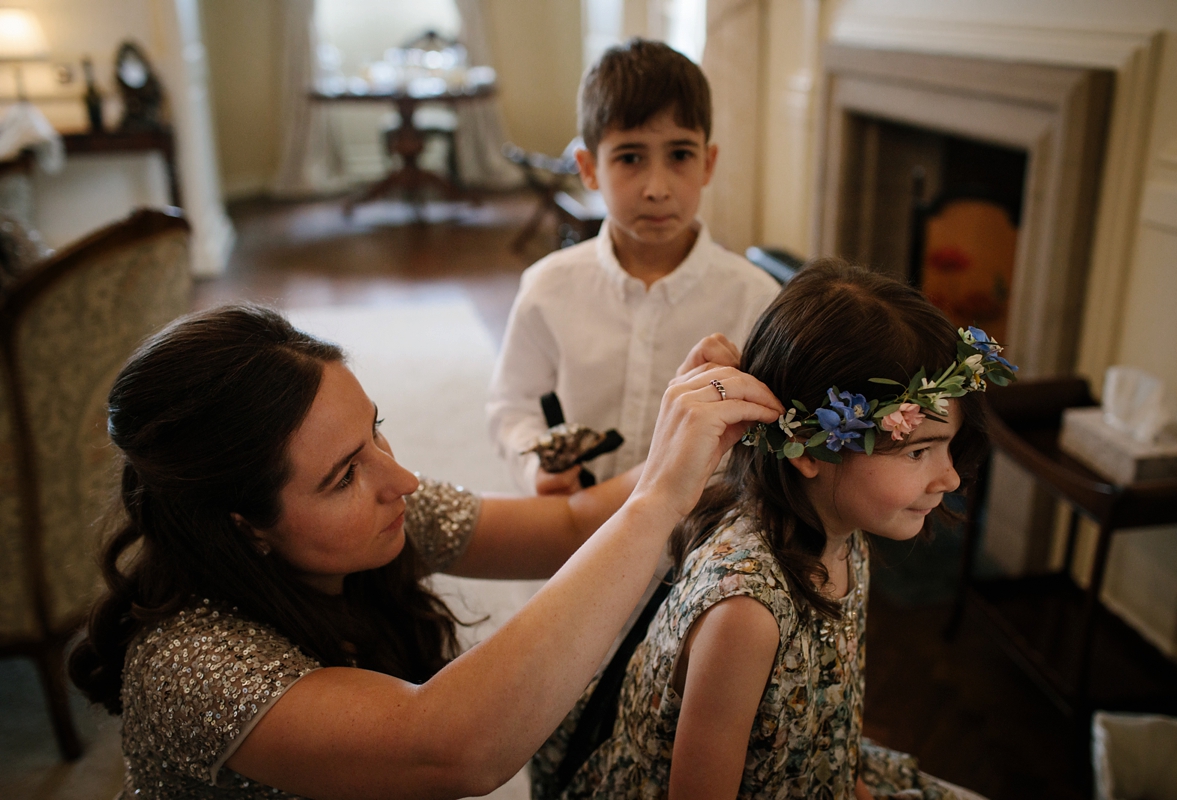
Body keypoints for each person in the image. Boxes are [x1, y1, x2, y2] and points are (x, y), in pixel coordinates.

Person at [67, 304, 782, 799]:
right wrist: (658, 501)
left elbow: (566, 526)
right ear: (243, 525)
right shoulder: (190, 664)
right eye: (344, 474)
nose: (400, 479)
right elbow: (455, 746)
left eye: (376, 431)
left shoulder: (383, 511)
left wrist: (681, 434)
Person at [531, 260, 1016, 799]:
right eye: (919, 451)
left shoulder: (838, 526)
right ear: (810, 451)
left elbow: (827, 717)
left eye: (946, 447)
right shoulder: (745, 615)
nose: (949, 476)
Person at [486, 38, 781, 496]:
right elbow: (512, 407)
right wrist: (535, 465)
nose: (657, 188)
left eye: (680, 155)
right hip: (578, 525)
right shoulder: (548, 287)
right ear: (589, 169)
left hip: (699, 533)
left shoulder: (755, 297)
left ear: (709, 162)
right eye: (630, 158)